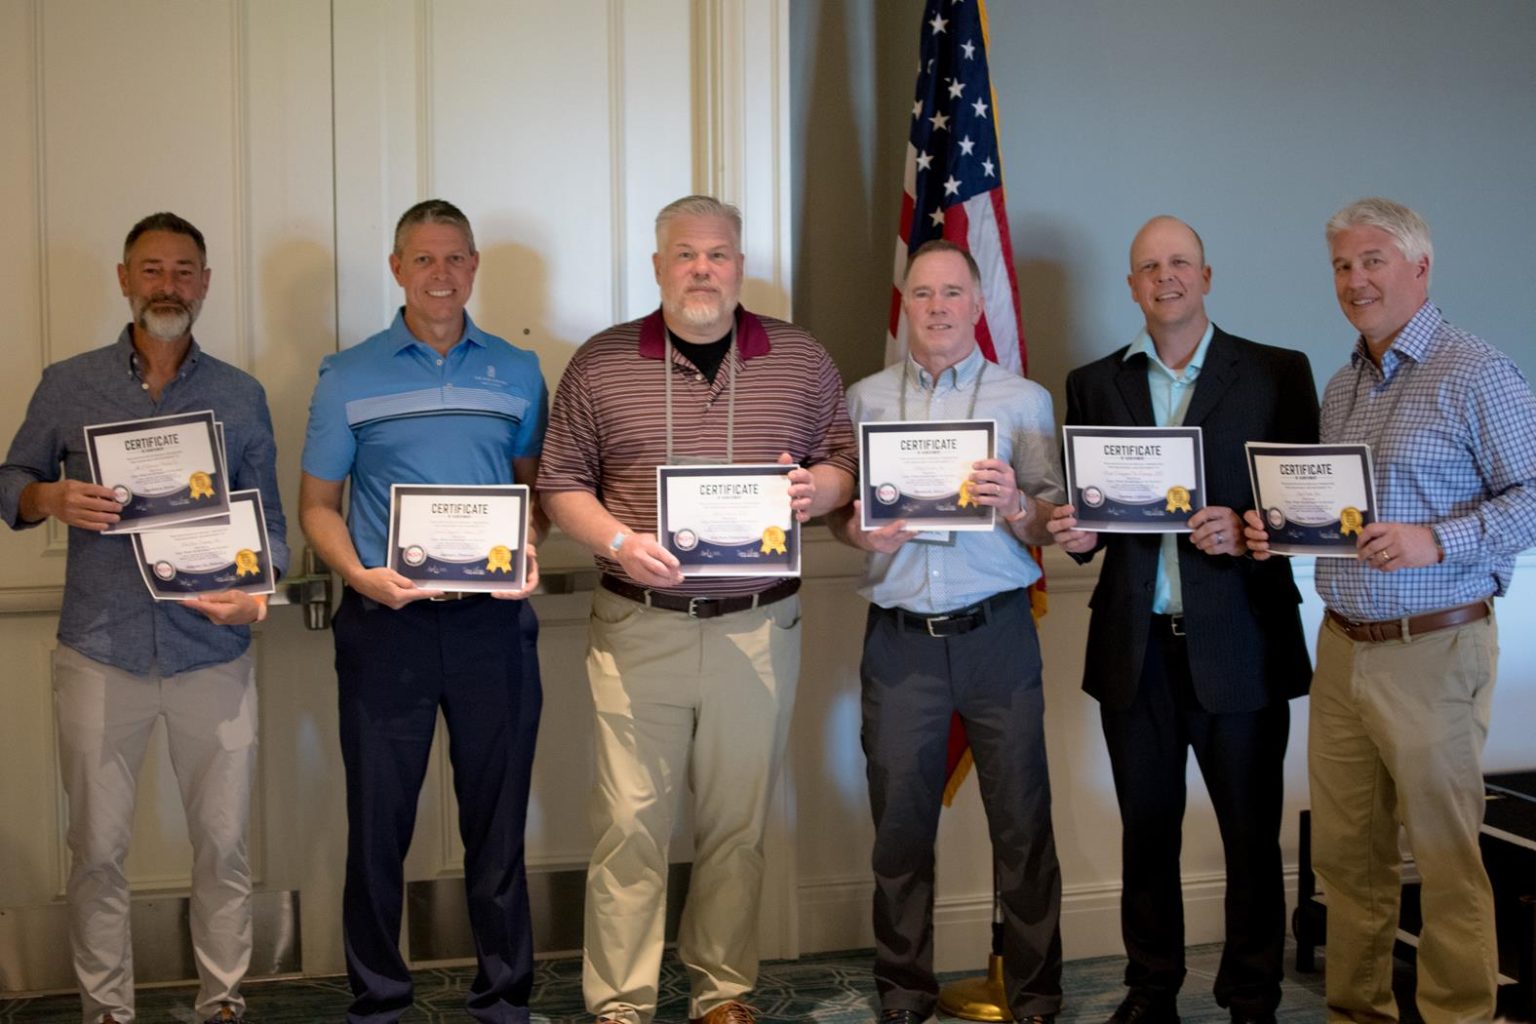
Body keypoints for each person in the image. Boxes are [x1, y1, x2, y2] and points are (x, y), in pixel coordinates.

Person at [537, 194, 857, 1024]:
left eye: (717, 255)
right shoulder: (601, 361)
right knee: (628, 824)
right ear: (658, 266)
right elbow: (561, 482)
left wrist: (817, 489)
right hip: (637, 624)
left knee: (736, 826)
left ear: (740, 266)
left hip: (759, 624)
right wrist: (617, 541)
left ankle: (723, 990)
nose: (702, 270)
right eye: (685, 255)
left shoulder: (800, 357)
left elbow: (844, 462)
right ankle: (620, 1003)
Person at [1243, 198, 1536, 1023]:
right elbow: (1341, 518)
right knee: (1347, 859)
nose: (1355, 280)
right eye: (1342, 265)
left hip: (1433, 650)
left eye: (1373, 260)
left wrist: (1435, 541)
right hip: (1342, 649)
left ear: (1420, 266)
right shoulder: (1344, 386)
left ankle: (1458, 1016)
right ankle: (1356, 1012)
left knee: (1443, 861)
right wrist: (1281, 532)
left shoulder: (1476, 371)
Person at [0, 213, 287, 1024]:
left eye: (184, 270)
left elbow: (269, 519)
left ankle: (222, 1001)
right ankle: (106, 1011)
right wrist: (49, 496)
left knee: (224, 845)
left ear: (206, 283)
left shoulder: (240, 394)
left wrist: (258, 592)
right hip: (101, 650)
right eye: (152, 270)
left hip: (212, 650)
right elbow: (10, 481)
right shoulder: (68, 384)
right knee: (96, 849)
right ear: (124, 280)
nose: (169, 285)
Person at [1048, 217, 1318, 1024]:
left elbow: (1304, 510)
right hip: (1136, 650)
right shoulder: (1094, 383)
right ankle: (1151, 990)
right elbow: (1095, 521)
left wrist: (1246, 528)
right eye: (1148, 266)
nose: (1164, 276)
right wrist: (1079, 535)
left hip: (1243, 641)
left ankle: (1252, 997)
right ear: (1131, 286)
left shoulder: (1276, 372)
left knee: (1250, 837)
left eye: (1179, 263)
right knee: (1147, 832)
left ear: (1206, 275)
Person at [299, 199, 547, 1024]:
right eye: (424, 259)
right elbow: (317, 506)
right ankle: (378, 1001)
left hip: (491, 625)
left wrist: (530, 544)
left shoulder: (518, 371)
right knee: (378, 825)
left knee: (498, 825)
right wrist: (358, 576)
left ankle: (503, 999)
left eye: (456, 258)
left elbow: (531, 493)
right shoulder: (347, 375)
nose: (441, 275)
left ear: (474, 266)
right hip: (386, 625)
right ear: (397, 267)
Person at [829, 239, 1066, 1024]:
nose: (938, 307)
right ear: (907, 304)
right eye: (924, 293)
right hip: (900, 640)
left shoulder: (1023, 400)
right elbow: (841, 516)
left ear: (978, 303)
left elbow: (1050, 518)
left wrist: (1017, 505)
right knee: (899, 826)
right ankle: (904, 990)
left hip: (998, 634)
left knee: (1023, 823)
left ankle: (1035, 994)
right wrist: (856, 531)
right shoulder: (864, 400)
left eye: (953, 293)